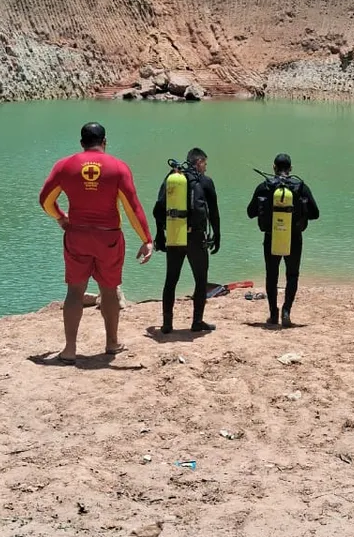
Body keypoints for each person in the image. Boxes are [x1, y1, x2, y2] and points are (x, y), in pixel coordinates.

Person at [39, 122, 153, 362]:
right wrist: (146, 239)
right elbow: (132, 207)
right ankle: (112, 343)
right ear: (105, 142)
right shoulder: (118, 168)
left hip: (77, 235)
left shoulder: (64, 166)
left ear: (81, 143)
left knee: (75, 291)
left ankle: (70, 349)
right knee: (109, 290)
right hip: (108, 237)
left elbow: (45, 200)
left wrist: (60, 217)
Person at [246, 153, 320, 327]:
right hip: (294, 238)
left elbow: (250, 212)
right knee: (292, 275)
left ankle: (273, 313)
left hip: (271, 237)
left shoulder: (264, 186)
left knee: (271, 275)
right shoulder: (300, 187)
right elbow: (315, 213)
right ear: (291, 169)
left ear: (274, 167)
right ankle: (286, 311)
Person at [153, 147, 221, 334]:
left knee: (171, 279)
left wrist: (160, 235)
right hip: (196, 237)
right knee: (201, 280)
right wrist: (217, 235)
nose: (205, 168)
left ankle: (167, 324)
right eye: (205, 164)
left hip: (175, 234)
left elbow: (158, 209)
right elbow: (214, 212)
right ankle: (197, 322)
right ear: (199, 162)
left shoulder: (172, 178)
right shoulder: (204, 181)